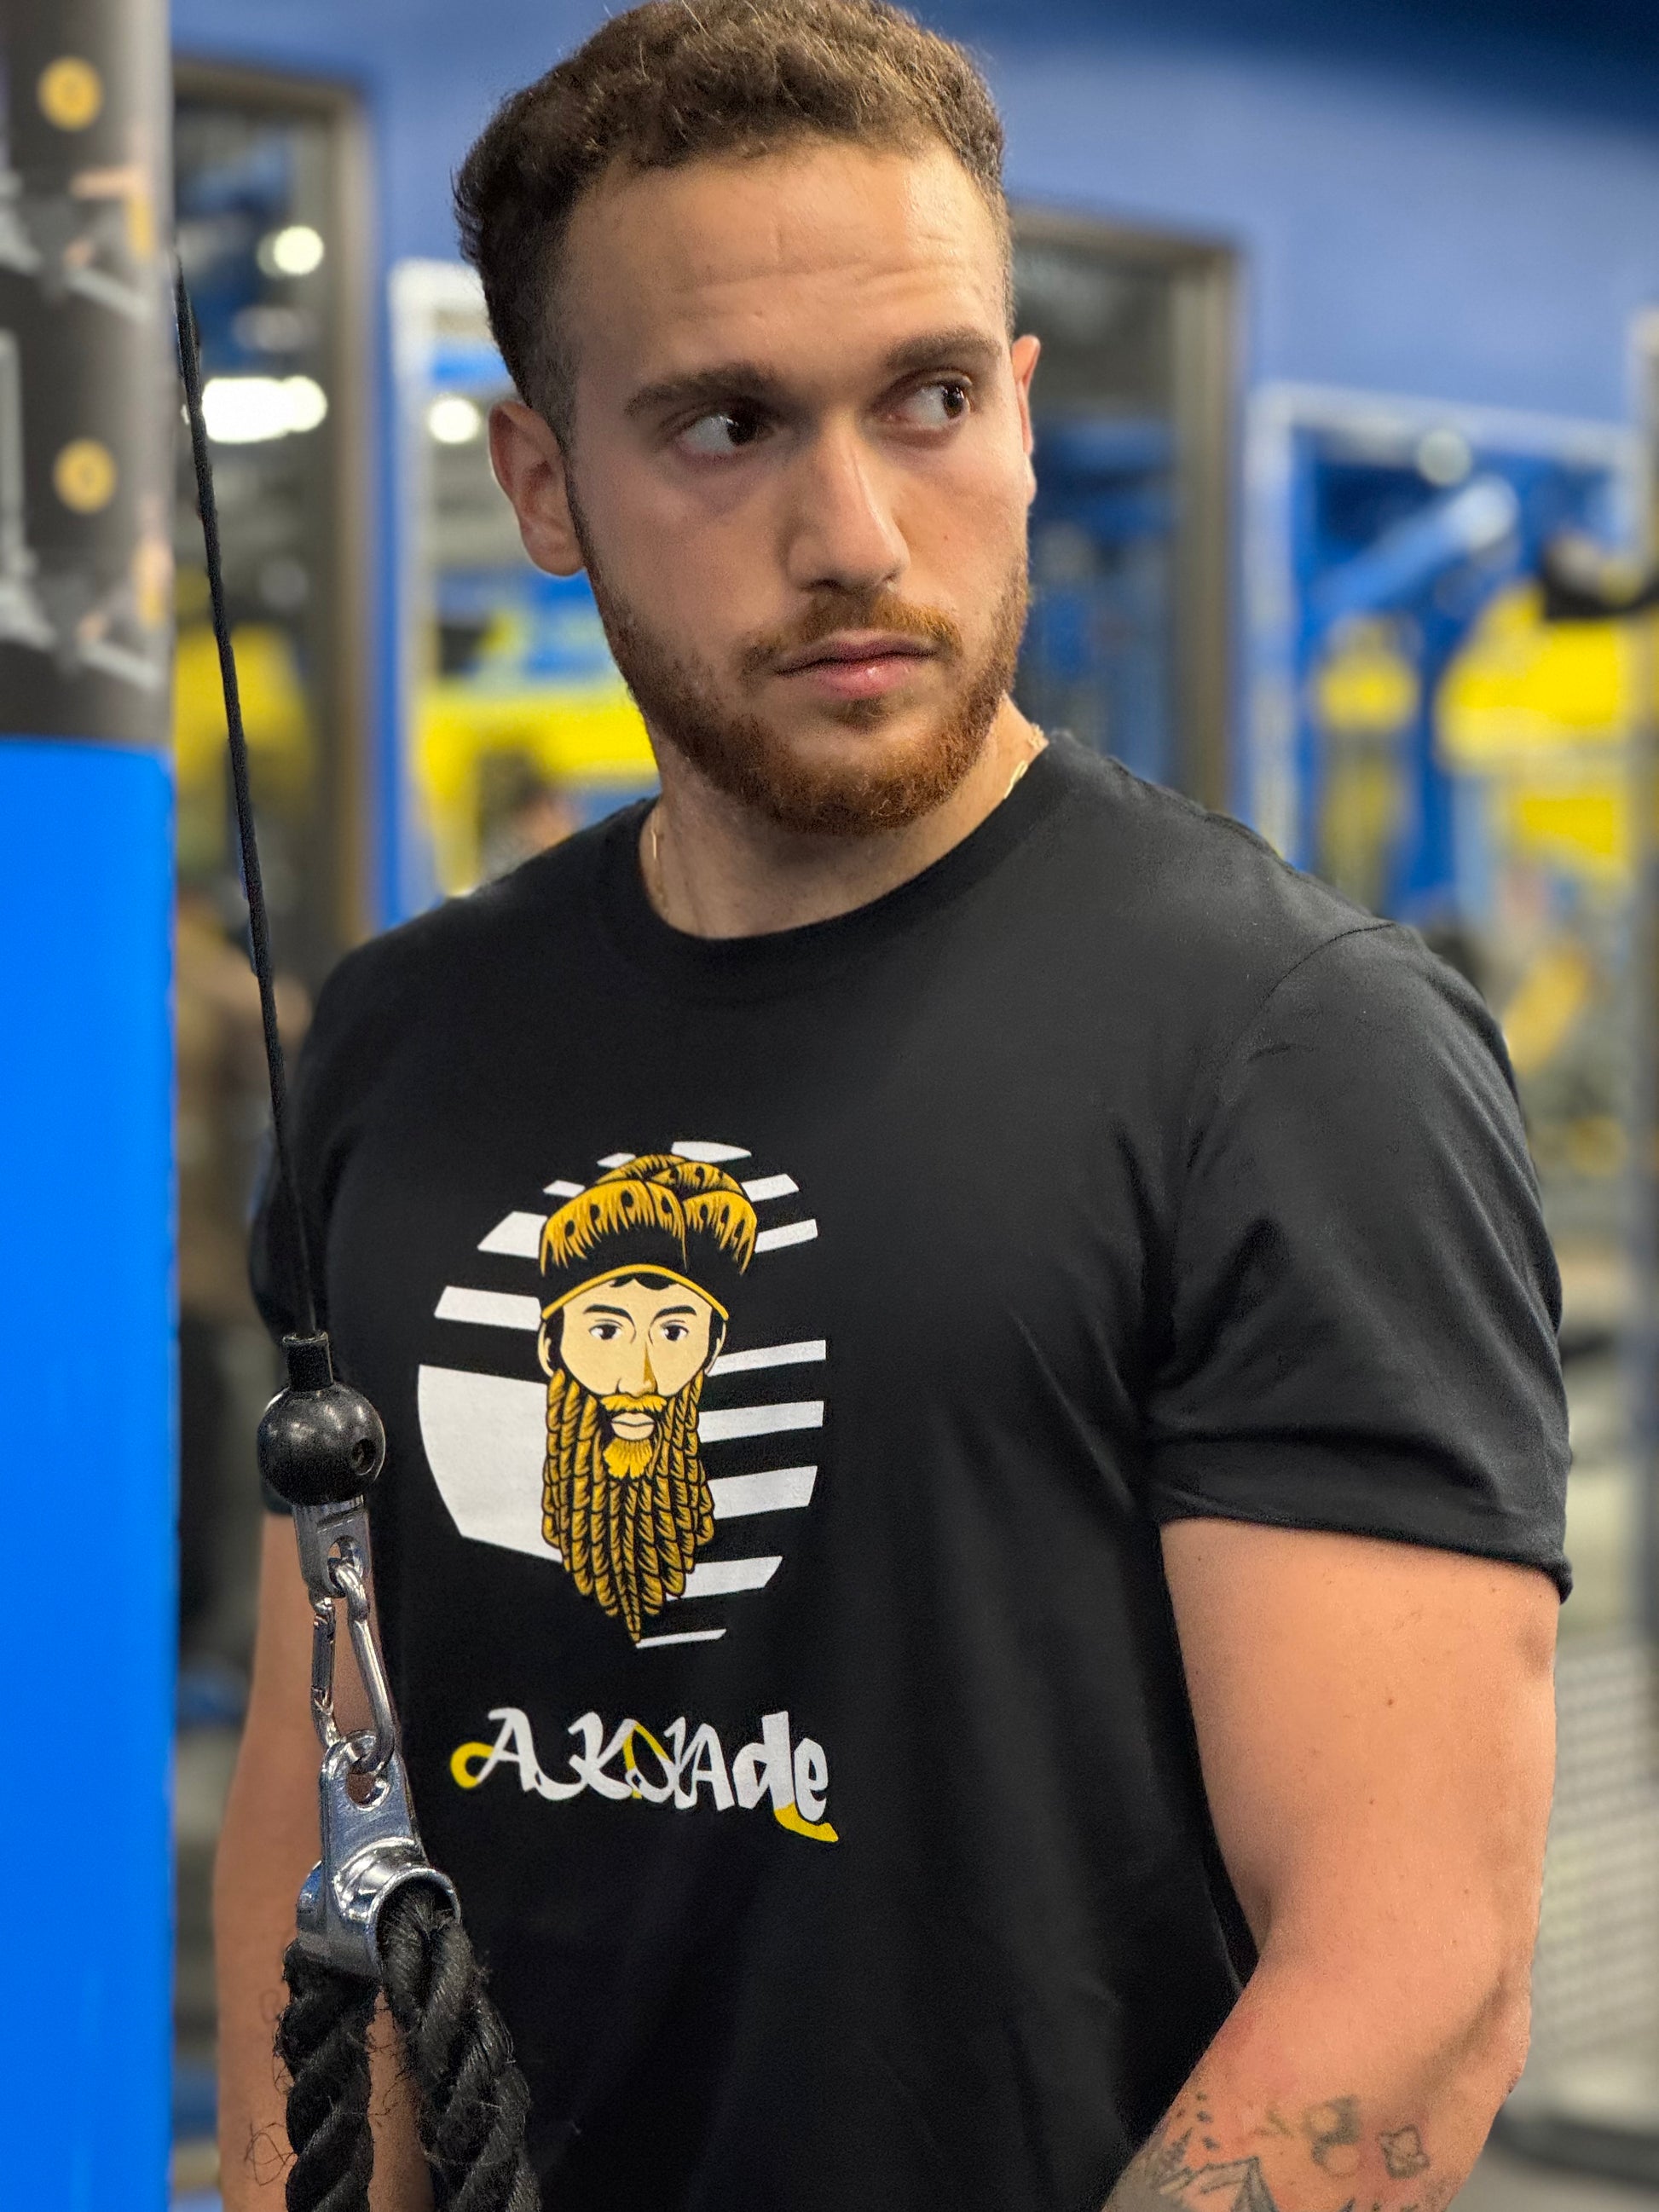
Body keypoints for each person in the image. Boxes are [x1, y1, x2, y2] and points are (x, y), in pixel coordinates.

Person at [216, 5, 1569, 2208]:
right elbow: (327, 1827)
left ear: (1018, 412)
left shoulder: (1292, 1048)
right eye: (724, 423)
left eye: (928, 400)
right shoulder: (398, 1046)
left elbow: (1409, 1967)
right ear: (541, 483)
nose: (852, 531)